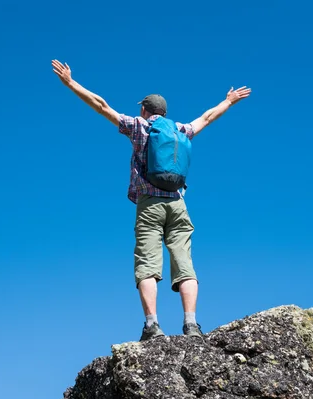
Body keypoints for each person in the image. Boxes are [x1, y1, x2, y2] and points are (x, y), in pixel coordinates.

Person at [51, 59, 251, 341]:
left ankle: (152, 326)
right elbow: (206, 117)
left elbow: (101, 105)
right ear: (165, 112)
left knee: (147, 263)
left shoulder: (138, 127)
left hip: (150, 204)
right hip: (178, 204)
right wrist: (229, 101)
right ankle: (192, 324)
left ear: (145, 109)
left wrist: (71, 83)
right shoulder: (180, 130)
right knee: (184, 263)